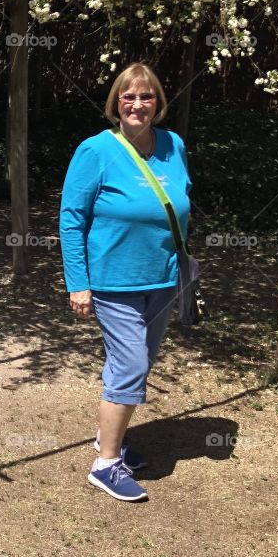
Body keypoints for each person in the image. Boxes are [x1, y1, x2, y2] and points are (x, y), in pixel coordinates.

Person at [58, 63, 192, 502]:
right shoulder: (95, 150)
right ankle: (106, 464)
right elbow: (72, 219)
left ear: (159, 102)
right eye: (129, 97)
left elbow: (177, 205)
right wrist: (78, 283)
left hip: (163, 279)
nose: (138, 105)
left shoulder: (173, 145)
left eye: (147, 97)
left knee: (138, 362)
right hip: (114, 281)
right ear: (116, 102)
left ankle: (107, 438)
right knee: (131, 366)